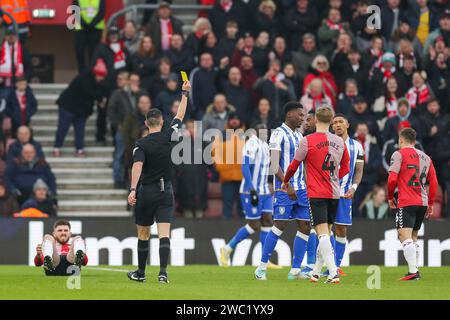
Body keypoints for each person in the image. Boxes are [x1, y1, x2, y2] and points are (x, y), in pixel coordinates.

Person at [126, 80, 191, 284]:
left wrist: (132, 190)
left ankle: (141, 273)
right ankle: (163, 273)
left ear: (146, 123)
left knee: (143, 233)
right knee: (164, 234)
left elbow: (137, 166)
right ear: (162, 122)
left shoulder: (141, 144)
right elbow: (180, 115)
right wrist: (184, 94)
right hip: (166, 191)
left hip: (147, 191)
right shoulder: (170, 136)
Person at [281, 105, 350, 284]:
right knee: (326, 231)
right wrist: (334, 178)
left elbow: (294, 164)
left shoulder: (307, 141)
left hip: (316, 193)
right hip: (334, 193)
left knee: (322, 234)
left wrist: (285, 180)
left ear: (317, 120)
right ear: (331, 121)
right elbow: (347, 168)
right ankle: (317, 272)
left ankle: (333, 272)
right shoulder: (340, 142)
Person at [254, 102, 311, 281]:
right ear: (290, 115)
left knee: (305, 226)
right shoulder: (278, 134)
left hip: (301, 188)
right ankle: (261, 268)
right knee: (280, 225)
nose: (303, 119)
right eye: (300, 115)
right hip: (284, 188)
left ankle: (295, 270)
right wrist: (287, 184)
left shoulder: (298, 135)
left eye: (304, 116)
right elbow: (274, 163)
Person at [220, 123, 276, 266]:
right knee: (254, 225)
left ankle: (265, 260)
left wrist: (270, 183)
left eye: (266, 129)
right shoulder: (252, 143)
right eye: (262, 129)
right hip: (250, 190)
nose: (266, 131)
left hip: (264, 190)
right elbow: (245, 166)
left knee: (268, 221)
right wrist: (251, 188)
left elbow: (264, 168)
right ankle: (227, 249)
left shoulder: (264, 145)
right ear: (256, 131)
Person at [387, 127, 438, 280]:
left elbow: (392, 179)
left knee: (404, 236)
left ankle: (413, 272)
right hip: (422, 202)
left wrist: (390, 197)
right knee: (413, 237)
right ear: (414, 141)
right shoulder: (426, 157)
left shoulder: (398, 154)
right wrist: (430, 203)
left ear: (401, 140)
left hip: (407, 201)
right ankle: (415, 270)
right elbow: (434, 182)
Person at [330, 114, 364, 275]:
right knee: (323, 229)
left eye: (340, 122)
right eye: (335, 122)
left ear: (347, 124)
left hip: (344, 194)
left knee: (341, 230)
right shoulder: (327, 143)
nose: (337, 125)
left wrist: (354, 187)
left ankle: (335, 266)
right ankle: (318, 265)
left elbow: (358, 171)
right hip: (326, 193)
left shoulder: (357, 146)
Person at [53, 59, 108, 157]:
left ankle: (79, 149)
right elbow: (88, 91)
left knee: (80, 129)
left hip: (82, 110)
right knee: (63, 127)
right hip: (68, 106)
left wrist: (100, 99)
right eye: (100, 76)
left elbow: (96, 92)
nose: (101, 78)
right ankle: (57, 147)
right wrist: (100, 100)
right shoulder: (85, 77)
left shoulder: (96, 81)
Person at [212, 113, 245, 219]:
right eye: (232, 119)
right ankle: (226, 227)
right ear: (229, 121)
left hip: (243, 176)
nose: (234, 121)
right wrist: (219, 167)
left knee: (242, 203)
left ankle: (244, 226)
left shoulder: (246, 135)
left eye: (237, 119)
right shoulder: (221, 135)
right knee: (227, 201)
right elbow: (214, 152)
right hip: (227, 175)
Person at [73, 0, 105, 72]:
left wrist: (92, 24)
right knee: (79, 52)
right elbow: (74, 11)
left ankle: (93, 73)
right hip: (81, 28)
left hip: (95, 29)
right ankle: (82, 73)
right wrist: (85, 24)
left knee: (94, 53)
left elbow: (101, 12)